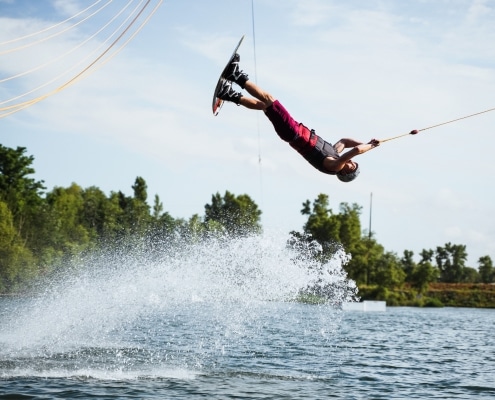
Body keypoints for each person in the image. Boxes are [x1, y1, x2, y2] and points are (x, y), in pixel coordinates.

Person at [217, 54, 380, 182]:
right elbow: (345, 141)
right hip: (293, 129)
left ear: (344, 173)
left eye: (352, 167)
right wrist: (364, 142)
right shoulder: (335, 155)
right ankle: (229, 95)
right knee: (264, 105)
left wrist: (370, 146)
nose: (351, 163)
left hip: (292, 132)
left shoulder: (335, 166)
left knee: (269, 99)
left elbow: (357, 151)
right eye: (354, 164)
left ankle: (235, 75)